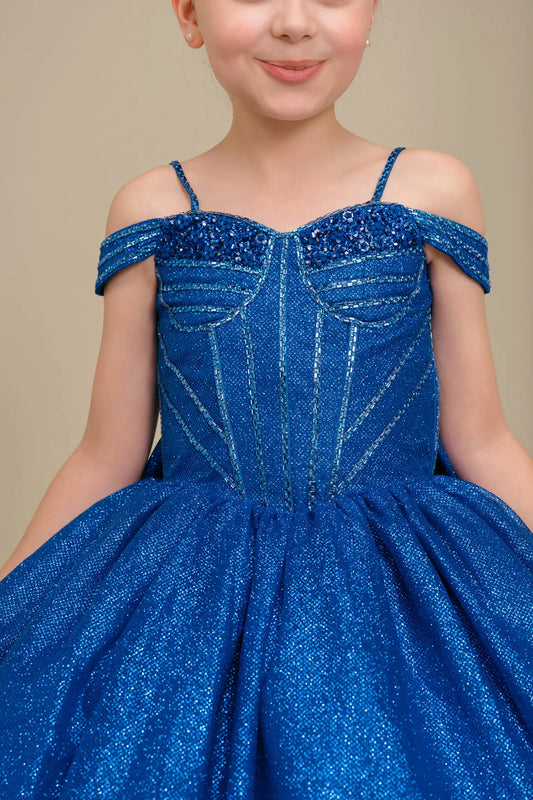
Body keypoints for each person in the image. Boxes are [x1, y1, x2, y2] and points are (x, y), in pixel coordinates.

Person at [1, 0, 532, 797]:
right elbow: (105, 452)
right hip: (190, 597)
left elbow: (480, 438)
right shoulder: (151, 207)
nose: (293, 23)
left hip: (397, 593)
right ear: (188, 15)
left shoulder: (433, 188)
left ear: (372, 12)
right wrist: (14, 596)